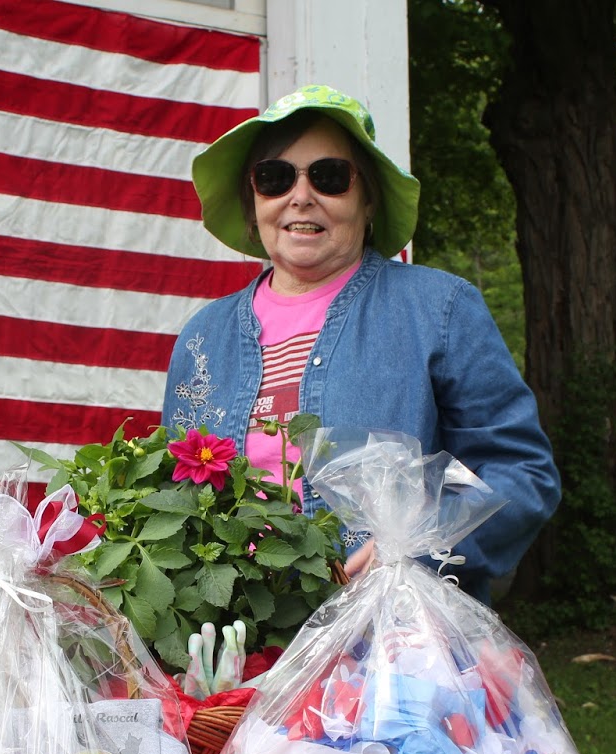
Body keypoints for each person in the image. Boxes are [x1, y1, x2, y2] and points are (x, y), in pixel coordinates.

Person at [161, 85, 560, 605]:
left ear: (368, 199)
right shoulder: (203, 335)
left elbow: (521, 472)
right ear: (253, 201)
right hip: (239, 649)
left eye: (329, 177)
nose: (300, 196)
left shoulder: (439, 309)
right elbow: (174, 493)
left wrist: (416, 548)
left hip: (396, 646)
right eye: (275, 178)